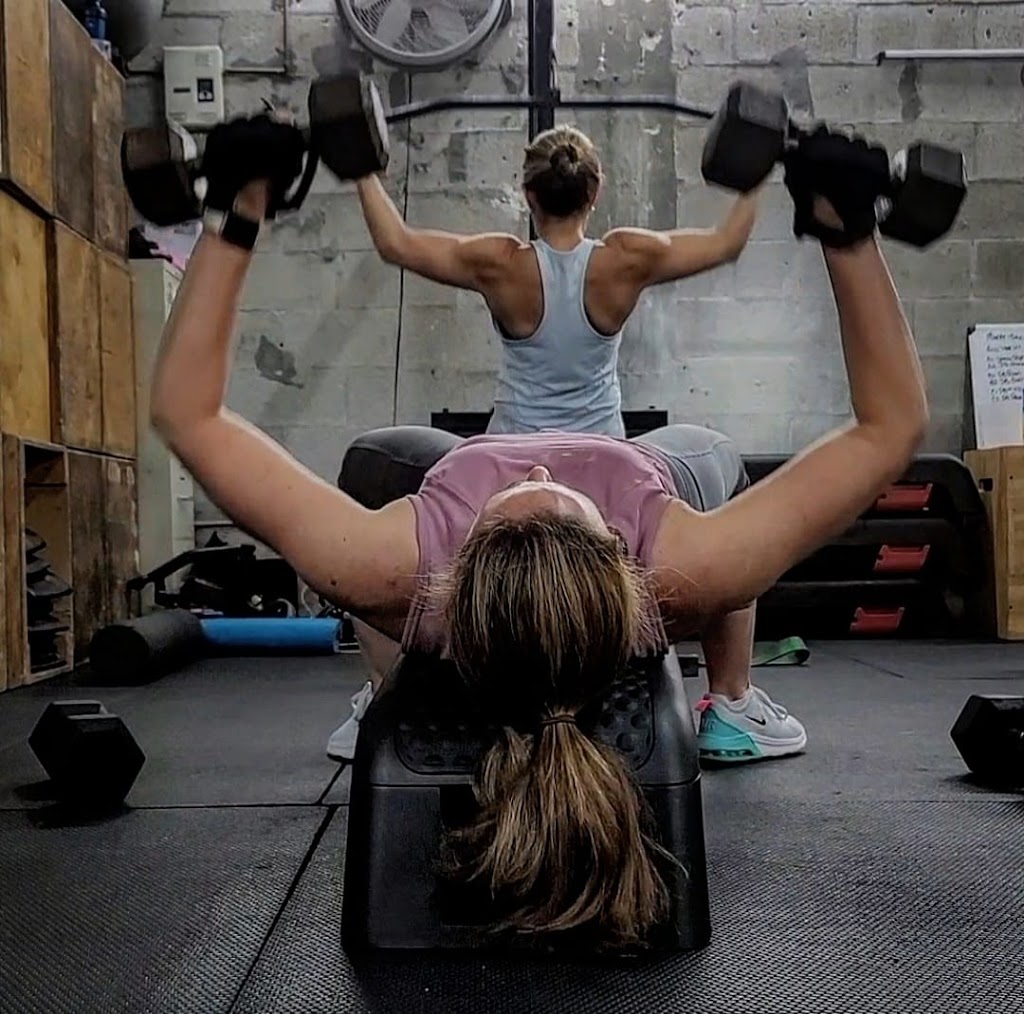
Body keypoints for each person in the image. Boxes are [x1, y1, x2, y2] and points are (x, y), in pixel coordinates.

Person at [151, 117, 928, 948]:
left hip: (468, 454)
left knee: (371, 477)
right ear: (621, 560)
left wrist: (237, 215)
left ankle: (382, 693)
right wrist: (846, 230)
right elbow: (890, 427)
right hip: (634, 452)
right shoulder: (679, 564)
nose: (538, 475)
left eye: (515, 499)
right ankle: (732, 703)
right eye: (559, 496)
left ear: (460, 561)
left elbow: (187, 416)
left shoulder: (399, 565)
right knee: (727, 484)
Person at [355, 125, 760, 437]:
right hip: (600, 456)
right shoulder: (627, 258)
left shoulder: (500, 264)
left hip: (514, 456)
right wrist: (761, 165)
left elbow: (397, 244)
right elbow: (727, 243)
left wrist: (359, 166)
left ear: (528, 195)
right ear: (595, 191)